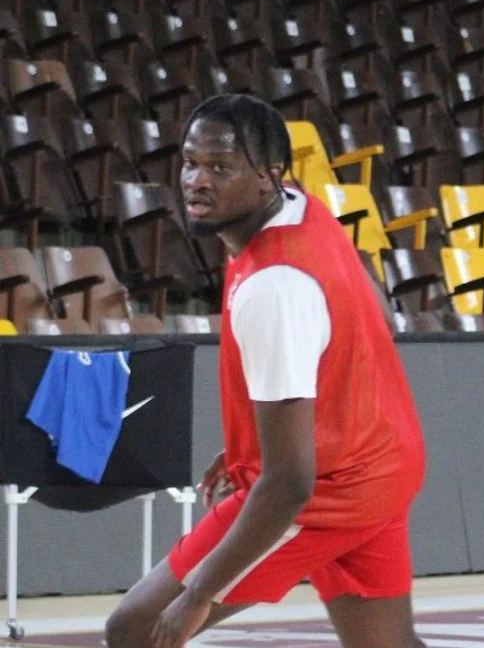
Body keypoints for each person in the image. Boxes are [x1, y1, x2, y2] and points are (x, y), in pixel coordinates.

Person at [105, 95, 426, 648]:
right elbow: (374, 316)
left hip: (330, 488)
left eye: (220, 167)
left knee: (136, 628)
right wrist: (258, 439)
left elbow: (289, 482)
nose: (197, 182)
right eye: (190, 162)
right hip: (385, 459)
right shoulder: (300, 205)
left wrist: (199, 594)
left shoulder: (274, 287)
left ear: (266, 177)